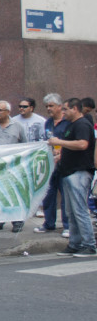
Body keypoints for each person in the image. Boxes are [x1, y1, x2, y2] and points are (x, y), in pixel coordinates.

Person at [49, 98, 97, 257]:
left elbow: (83, 144)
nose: (63, 113)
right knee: (71, 211)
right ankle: (75, 244)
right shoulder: (72, 125)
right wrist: (61, 154)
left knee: (80, 210)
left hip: (80, 172)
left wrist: (59, 142)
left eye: (66, 110)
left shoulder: (82, 124)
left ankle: (89, 245)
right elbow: (73, 146)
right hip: (69, 172)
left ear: (75, 108)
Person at [0, 101, 28, 233]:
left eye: (0, 110)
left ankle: (17, 221)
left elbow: (24, 144)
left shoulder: (18, 126)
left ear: (8, 112)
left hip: (13, 167)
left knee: (14, 194)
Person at [36, 94, 70, 236]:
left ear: (59, 106)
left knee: (65, 195)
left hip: (65, 162)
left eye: (51, 106)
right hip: (51, 163)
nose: (48, 109)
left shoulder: (67, 122)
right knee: (49, 194)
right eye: (47, 106)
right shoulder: (48, 122)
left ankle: (67, 225)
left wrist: (61, 154)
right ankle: (49, 223)